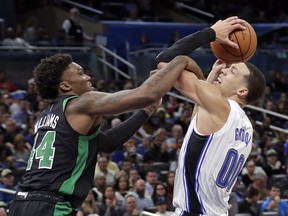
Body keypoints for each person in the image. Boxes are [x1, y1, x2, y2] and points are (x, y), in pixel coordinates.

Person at [8, 51, 204, 216]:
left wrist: (147, 111)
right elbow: (146, 94)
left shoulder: (44, 117)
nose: (88, 77)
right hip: (49, 206)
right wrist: (180, 61)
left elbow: (106, 143)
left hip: (20, 203)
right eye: (81, 73)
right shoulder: (81, 103)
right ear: (65, 86)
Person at [155, 16, 266, 215]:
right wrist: (211, 79)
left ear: (242, 91)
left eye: (232, 71)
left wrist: (211, 33)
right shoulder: (246, 127)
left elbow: (164, 62)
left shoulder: (219, 106)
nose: (223, 70)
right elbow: (201, 122)